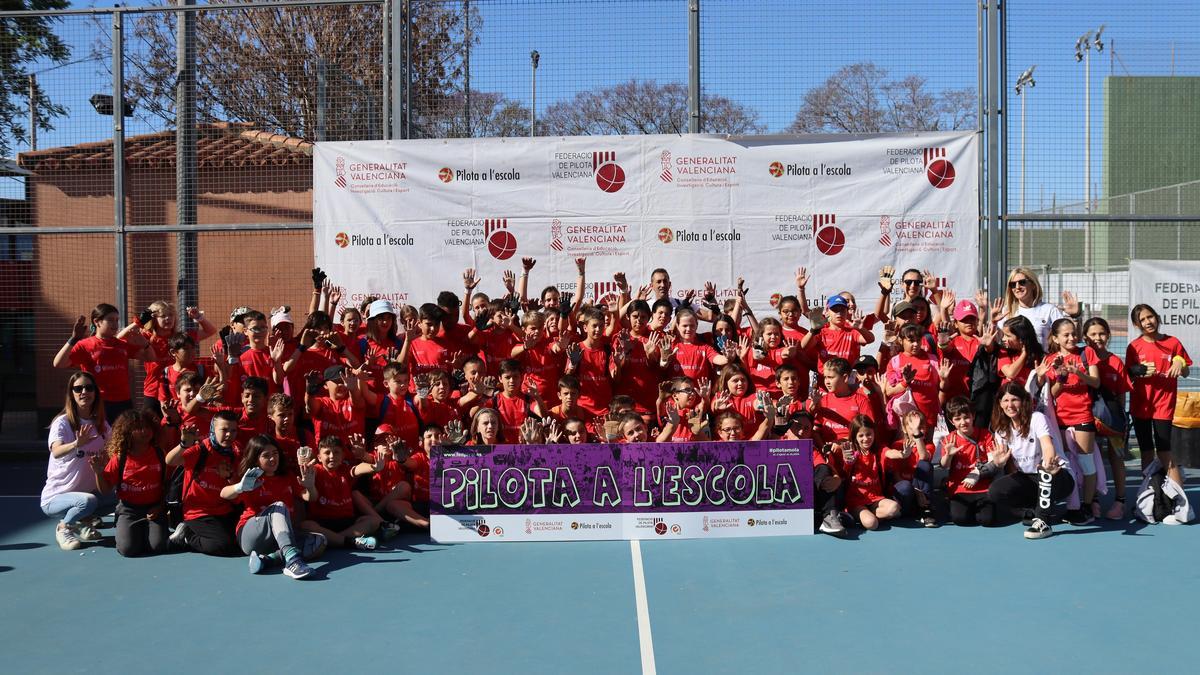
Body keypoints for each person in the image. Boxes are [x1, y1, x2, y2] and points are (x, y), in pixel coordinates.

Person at [221, 435, 321, 579]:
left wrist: (311, 486)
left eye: (275, 453)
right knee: (279, 506)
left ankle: (268, 560)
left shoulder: (287, 476)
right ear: (256, 458)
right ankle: (292, 561)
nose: (273, 459)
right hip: (251, 537)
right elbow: (224, 494)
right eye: (266, 456)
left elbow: (310, 497)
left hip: (278, 540)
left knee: (318, 541)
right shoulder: (250, 479)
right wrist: (240, 487)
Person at [987, 383, 1076, 539]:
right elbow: (1001, 459)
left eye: (1014, 400)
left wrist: (1048, 462)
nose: (1010, 405)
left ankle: (1044, 522)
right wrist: (998, 462)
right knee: (995, 491)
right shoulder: (1001, 429)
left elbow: (1047, 445)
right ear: (1000, 404)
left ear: (1023, 401)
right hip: (1028, 478)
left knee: (1045, 472)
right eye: (1005, 400)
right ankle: (1032, 511)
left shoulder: (1037, 418)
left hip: (1057, 475)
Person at [41, 372, 109, 550]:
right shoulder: (62, 423)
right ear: (71, 393)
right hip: (56, 498)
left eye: (89, 388)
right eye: (78, 388)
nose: (84, 392)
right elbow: (56, 451)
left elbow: (114, 449)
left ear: (95, 393)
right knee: (87, 502)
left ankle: (82, 521)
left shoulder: (101, 425)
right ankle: (64, 527)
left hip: (86, 493)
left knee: (119, 494)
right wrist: (76, 444)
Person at [1126, 303, 1191, 487]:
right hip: (1141, 405)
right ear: (1137, 325)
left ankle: (1180, 500)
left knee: (1164, 451)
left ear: (1156, 317)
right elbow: (1127, 376)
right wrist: (1135, 370)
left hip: (1164, 405)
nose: (1148, 322)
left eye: (1150, 317)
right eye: (1142, 320)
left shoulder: (1173, 342)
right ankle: (1148, 496)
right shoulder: (1134, 347)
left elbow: (1185, 371)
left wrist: (1180, 363)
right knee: (1146, 451)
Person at [1045, 318, 1102, 525]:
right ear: (1056, 338)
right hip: (1060, 418)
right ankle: (1071, 505)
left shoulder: (1086, 353)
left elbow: (1096, 382)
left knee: (1086, 462)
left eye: (1073, 334)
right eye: (1066, 335)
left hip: (1082, 416)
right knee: (1065, 464)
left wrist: (1078, 372)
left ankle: (1086, 506)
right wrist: (1060, 377)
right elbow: (1051, 393)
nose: (1071, 338)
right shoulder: (1051, 359)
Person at [52, 303, 152, 421]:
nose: (115, 324)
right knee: (101, 438)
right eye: (110, 320)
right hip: (99, 402)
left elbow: (150, 357)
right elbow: (58, 363)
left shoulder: (122, 345)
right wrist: (73, 339)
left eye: (117, 320)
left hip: (123, 402)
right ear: (97, 322)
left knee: (124, 437)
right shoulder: (85, 345)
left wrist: (146, 343)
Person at [91, 408, 169, 557]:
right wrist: (99, 473)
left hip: (154, 508)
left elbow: (167, 485)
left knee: (159, 546)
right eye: (138, 428)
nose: (144, 431)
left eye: (147, 427)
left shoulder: (159, 454)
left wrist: (160, 506)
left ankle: (149, 530)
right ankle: (130, 529)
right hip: (129, 510)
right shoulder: (120, 458)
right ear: (128, 432)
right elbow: (105, 490)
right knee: (128, 549)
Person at [165, 410, 243, 556]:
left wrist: (229, 476)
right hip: (198, 512)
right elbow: (170, 461)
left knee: (240, 543)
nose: (229, 435)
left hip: (223, 510)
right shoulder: (201, 450)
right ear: (213, 429)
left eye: (233, 430)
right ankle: (188, 535)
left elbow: (237, 494)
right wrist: (183, 445)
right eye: (224, 430)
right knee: (223, 545)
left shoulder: (235, 453)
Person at [1082, 317, 1132, 519]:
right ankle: (1092, 500)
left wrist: (1119, 420)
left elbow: (1121, 395)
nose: (1098, 338)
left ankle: (1120, 501)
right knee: (1091, 458)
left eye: (1101, 333)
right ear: (1085, 338)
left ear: (1108, 335)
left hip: (1112, 420)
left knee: (1116, 457)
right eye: (1093, 334)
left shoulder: (1115, 362)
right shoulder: (1083, 359)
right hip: (1088, 417)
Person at [299, 436, 383, 550]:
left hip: (346, 522)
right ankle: (349, 541)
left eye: (336, 452)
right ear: (319, 457)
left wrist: (374, 467)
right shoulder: (315, 470)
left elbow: (358, 468)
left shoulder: (345, 469)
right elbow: (310, 474)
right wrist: (305, 468)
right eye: (327, 453)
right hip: (323, 522)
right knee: (306, 526)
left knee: (373, 521)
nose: (332, 456)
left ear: (343, 456)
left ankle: (335, 540)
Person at [940, 397, 999, 527]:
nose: (963, 422)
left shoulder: (986, 435)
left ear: (973, 416)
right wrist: (949, 455)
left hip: (984, 487)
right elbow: (944, 466)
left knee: (987, 520)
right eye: (957, 419)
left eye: (966, 417)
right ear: (951, 421)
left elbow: (992, 461)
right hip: (960, 488)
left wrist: (978, 473)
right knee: (960, 519)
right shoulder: (950, 439)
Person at [995, 267, 1080, 346]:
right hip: (1014, 361)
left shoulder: (1049, 310)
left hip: (1043, 360)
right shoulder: (1007, 311)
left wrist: (1074, 316)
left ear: (1033, 285)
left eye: (1022, 282)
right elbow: (997, 339)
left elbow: (1069, 338)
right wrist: (993, 322)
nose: (1017, 287)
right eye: (1013, 284)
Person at [842, 415, 900, 531]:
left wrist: (903, 453)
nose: (866, 439)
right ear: (855, 437)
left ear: (874, 434)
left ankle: (870, 515)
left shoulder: (879, 450)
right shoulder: (850, 451)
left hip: (876, 499)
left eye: (869, 434)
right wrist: (848, 461)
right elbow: (846, 469)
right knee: (872, 524)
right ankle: (854, 515)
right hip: (856, 501)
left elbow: (891, 453)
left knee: (895, 508)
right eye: (861, 435)